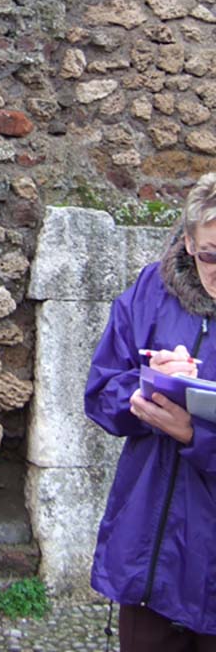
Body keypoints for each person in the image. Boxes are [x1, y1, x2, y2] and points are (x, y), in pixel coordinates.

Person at [85, 171, 216, 651]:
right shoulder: (149, 292)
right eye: (210, 255)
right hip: (148, 547)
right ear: (187, 242)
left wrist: (194, 435)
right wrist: (144, 393)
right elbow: (100, 391)